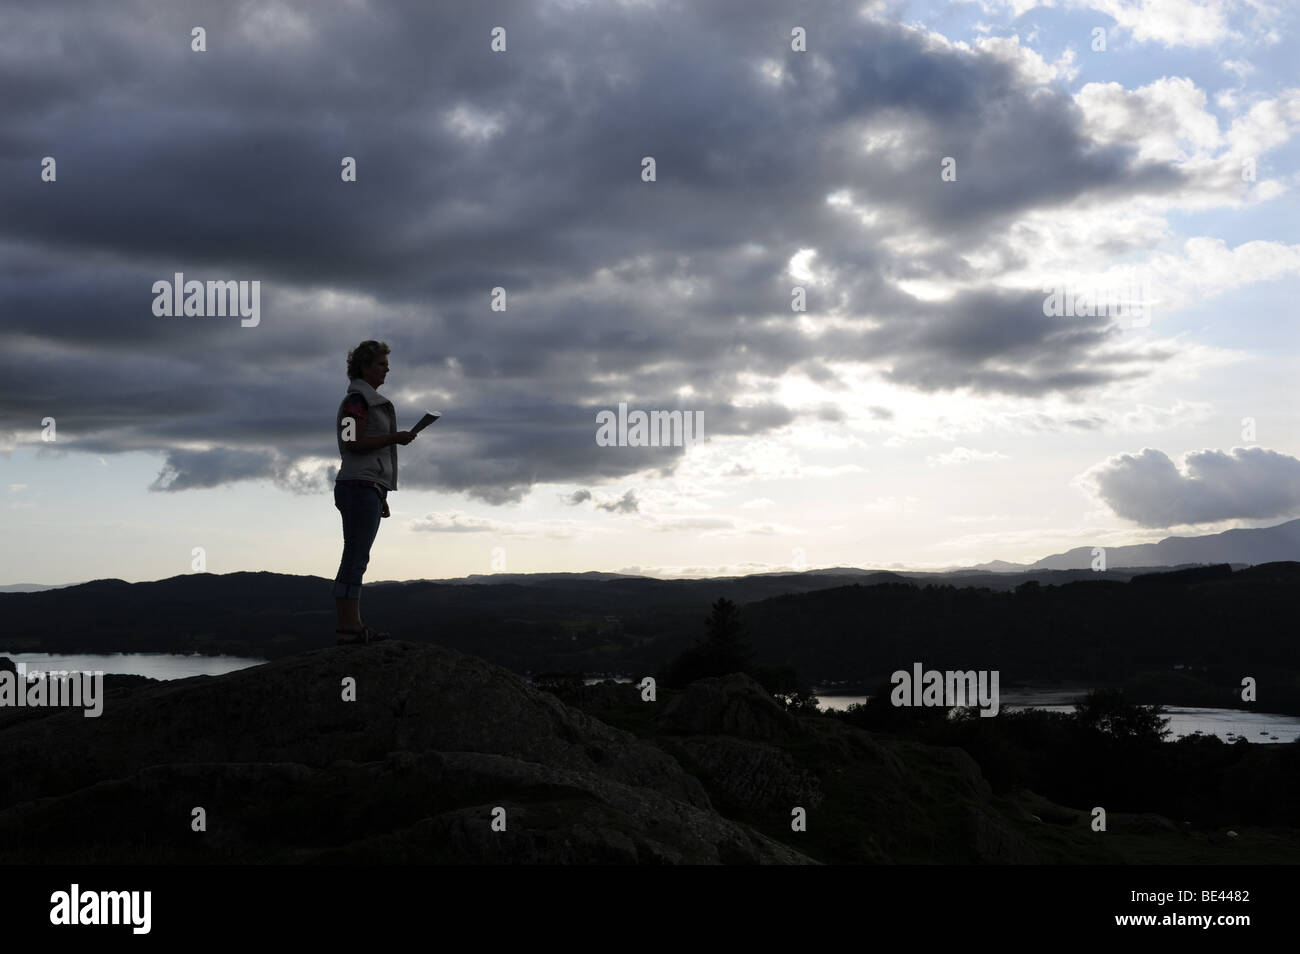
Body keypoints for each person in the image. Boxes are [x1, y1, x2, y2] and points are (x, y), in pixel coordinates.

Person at [331, 340, 417, 644]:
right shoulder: (357, 401)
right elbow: (352, 443)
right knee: (355, 557)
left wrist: (379, 493)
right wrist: (394, 436)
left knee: (356, 556)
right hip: (358, 486)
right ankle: (349, 628)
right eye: (381, 364)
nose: (386, 370)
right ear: (364, 366)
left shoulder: (362, 400)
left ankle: (351, 626)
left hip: (365, 487)